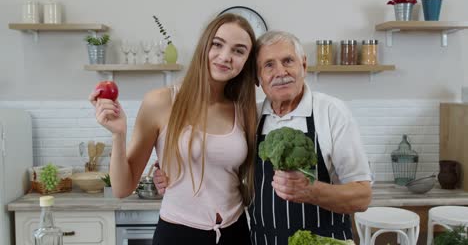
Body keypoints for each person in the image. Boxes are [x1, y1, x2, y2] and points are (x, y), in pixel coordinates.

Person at [154, 30, 373, 245]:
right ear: (257, 79)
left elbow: (363, 196)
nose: (280, 72)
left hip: (324, 241)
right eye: (269, 65)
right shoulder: (249, 116)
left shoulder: (331, 112)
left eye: (288, 61)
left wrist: (312, 191)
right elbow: (220, 164)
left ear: (303, 66)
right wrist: (168, 169)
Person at [89, 13, 258, 245]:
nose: (225, 56)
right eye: (217, 44)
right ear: (204, 46)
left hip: (235, 233)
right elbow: (122, 188)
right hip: (178, 235)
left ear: (247, 60)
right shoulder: (161, 102)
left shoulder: (245, 110)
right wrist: (118, 134)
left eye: (239, 51)